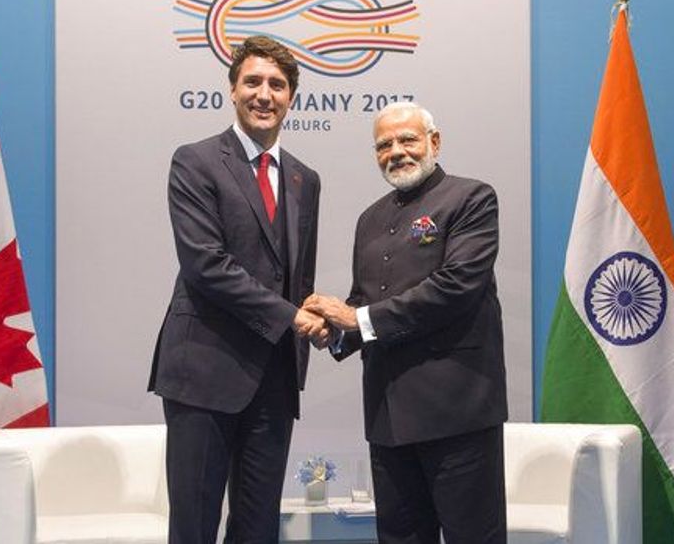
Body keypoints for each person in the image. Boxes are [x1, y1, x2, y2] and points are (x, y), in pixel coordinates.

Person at [148, 35, 325, 544]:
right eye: (253, 82)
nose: (264, 94)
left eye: (277, 85)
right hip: (203, 373)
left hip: (275, 379)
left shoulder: (305, 179)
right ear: (232, 90)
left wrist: (319, 318)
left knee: (258, 529)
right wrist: (293, 317)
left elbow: (298, 278)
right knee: (194, 527)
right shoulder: (195, 161)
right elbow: (206, 265)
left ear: (291, 97)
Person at [305, 101, 508, 544]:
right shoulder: (370, 218)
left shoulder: (471, 198)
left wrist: (355, 317)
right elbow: (364, 300)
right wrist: (333, 331)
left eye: (407, 140)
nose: (396, 151)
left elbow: (455, 286)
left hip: (457, 413)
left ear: (434, 142)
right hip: (388, 417)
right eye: (384, 145)